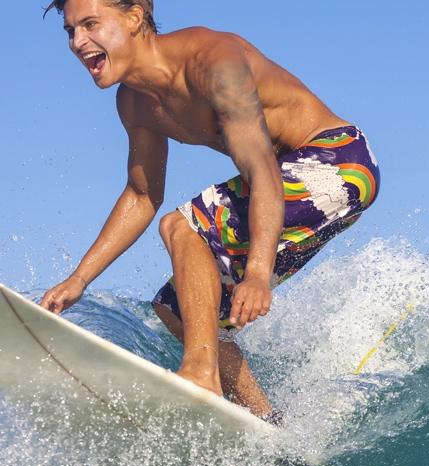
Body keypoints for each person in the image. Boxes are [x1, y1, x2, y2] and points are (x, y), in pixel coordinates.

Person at [39, 0, 380, 422]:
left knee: (183, 226)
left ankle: (201, 374)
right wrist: (80, 278)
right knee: (178, 307)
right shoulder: (135, 103)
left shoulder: (213, 62)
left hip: (341, 163)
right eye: (70, 31)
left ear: (134, 17)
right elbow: (143, 194)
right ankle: (265, 424)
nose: (78, 42)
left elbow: (262, 171)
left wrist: (257, 273)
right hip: (293, 185)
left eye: (90, 24)